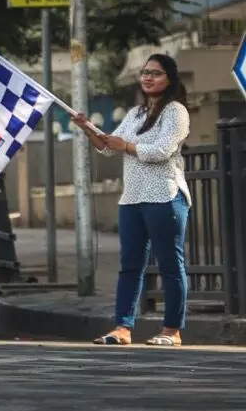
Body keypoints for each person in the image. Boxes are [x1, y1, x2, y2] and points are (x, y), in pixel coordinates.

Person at [71, 53, 190, 347]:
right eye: (145, 72)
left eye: (156, 73)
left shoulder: (176, 112)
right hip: (132, 199)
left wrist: (125, 145)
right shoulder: (136, 114)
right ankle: (123, 327)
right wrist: (88, 129)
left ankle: (172, 330)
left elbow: (161, 151)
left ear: (170, 79)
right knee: (130, 265)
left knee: (169, 265)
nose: (148, 77)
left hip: (164, 195)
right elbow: (108, 147)